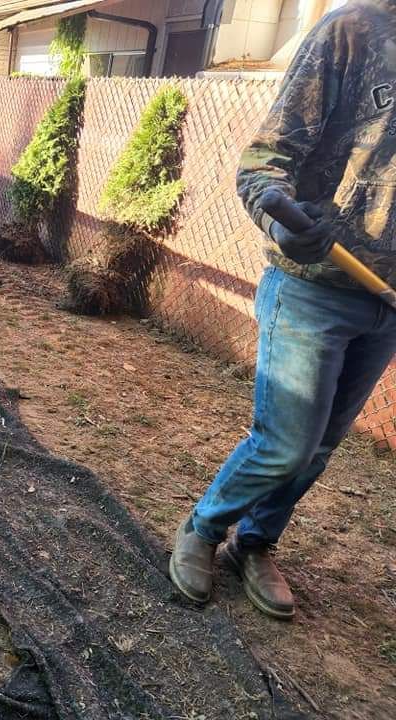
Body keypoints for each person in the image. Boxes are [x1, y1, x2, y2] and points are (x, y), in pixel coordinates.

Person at [170, 0, 396, 620]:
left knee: (321, 447)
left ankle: (256, 544)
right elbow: (264, 162)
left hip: (388, 305)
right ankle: (203, 528)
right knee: (286, 445)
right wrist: (281, 220)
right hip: (316, 285)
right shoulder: (355, 31)